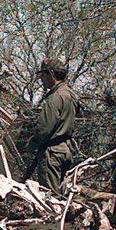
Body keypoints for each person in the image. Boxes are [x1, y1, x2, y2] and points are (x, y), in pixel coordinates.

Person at [26, 59, 79, 194]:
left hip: (53, 152)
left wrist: (32, 145)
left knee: (51, 197)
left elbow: (45, 128)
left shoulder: (55, 97)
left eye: (43, 76)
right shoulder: (71, 95)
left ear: (50, 73)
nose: (42, 80)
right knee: (62, 194)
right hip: (66, 150)